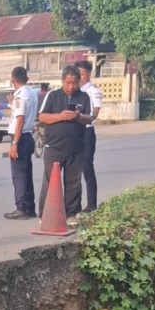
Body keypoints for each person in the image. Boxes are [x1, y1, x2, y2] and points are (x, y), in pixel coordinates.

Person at [38, 65, 92, 226]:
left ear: (79, 81)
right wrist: (60, 116)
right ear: (62, 81)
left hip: (76, 148)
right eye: (68, 82)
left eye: (75, 83)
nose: (71, 86)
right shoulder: (53, 95)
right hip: (54, 148)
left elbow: (89, 119)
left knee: (74, 182)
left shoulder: (84, 97)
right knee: (50, 182)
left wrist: (79, 116)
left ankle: (71, 213)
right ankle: (45, 214)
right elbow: (42, 117)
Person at [3, 67, 37, 220]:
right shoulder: (31, 93)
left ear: (13, 80)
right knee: (26, 174)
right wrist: (12, 105)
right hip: (28, 136)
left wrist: (14, 143)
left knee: (19, 175)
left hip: (21, 137)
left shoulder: (20, 95)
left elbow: (20, 120)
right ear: (27, 78)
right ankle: (29, 207)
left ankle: (21, 208)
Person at [75, 60, 103, 213]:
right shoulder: (74, 91)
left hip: (86, 132)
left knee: (87, 168)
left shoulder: (93, 91)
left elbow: (95, 114)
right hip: (74, 133)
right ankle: (74, 204)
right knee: (74, 169)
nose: (80, 77)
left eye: (82, 74)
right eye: (78, 74)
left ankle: (92, 204)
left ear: (89, 74)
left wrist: (80, 117)